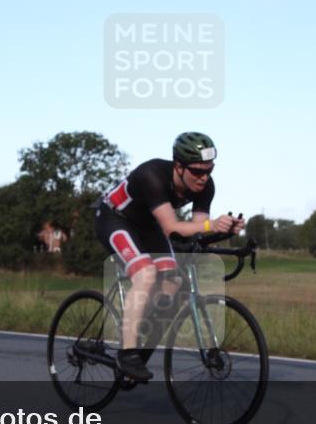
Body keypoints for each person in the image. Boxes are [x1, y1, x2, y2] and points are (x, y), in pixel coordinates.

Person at [95, 132, 244, 381]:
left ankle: (141, 339)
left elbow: (197, 232)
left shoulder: (205, 186)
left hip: (149, 225)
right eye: (197, 171)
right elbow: (172, 228)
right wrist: (211, 225)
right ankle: (127, 352)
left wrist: (226, 230)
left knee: (174, 283)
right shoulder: (152, 175)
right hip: (115, 219)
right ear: (178, 166)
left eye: (209, 170)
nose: (203, 177)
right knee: (145, 273)